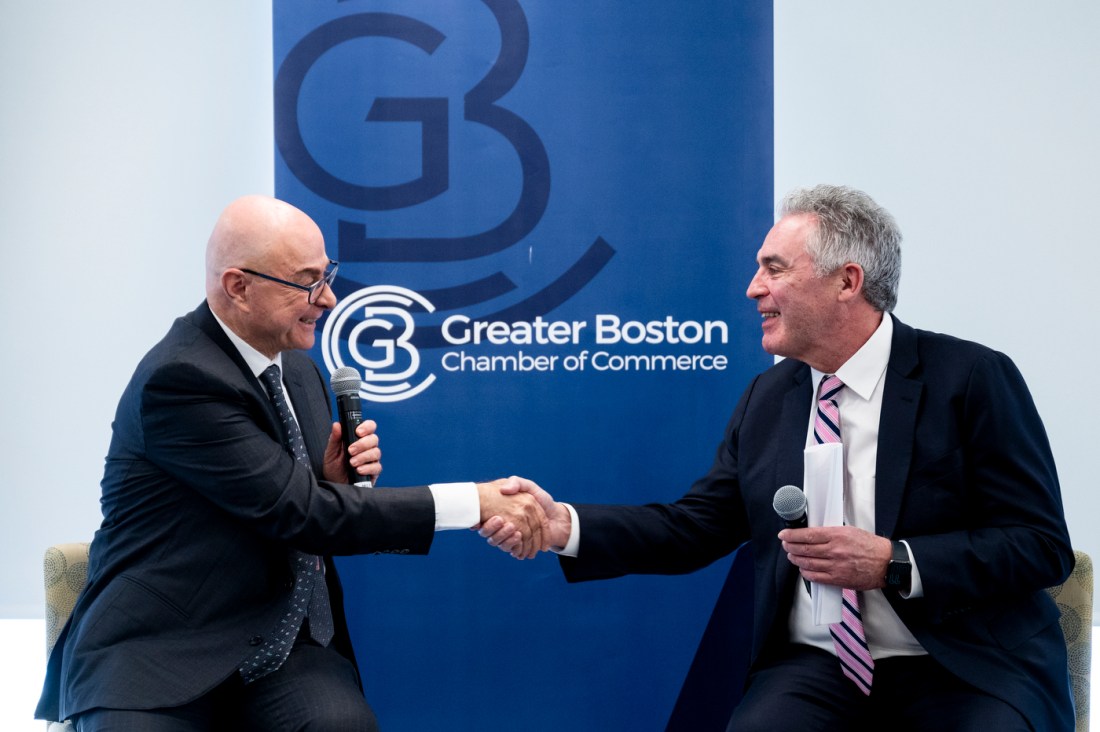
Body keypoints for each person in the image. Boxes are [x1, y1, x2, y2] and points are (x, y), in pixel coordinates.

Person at [481, 184, 1075, 731]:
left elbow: (1039, 545)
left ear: (847, 281)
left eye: (774, 269)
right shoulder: (769, 397)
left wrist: (895, 562)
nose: (752, 288)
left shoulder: (969, 379)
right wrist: (565, 525)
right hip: (819, 668)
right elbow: (695, 527)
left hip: (961, 663)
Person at [35, 194, 548, 731]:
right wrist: (475, 501)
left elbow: (297, 506)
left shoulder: (298, 371)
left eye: (327, 274)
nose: (327, 299)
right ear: (238, 286)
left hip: (277, 644)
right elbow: (299, 513)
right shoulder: (181, 379)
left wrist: (336, 484)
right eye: (307, 281)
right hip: (162, 649)